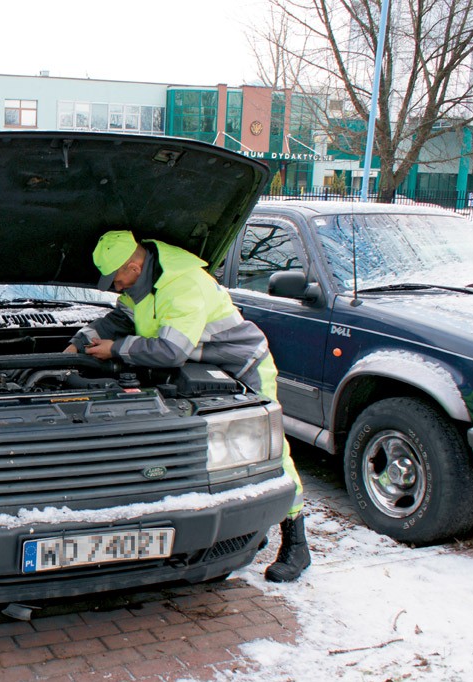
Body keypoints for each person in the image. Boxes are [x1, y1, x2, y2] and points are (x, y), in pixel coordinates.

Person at [65, 230, 310, 582]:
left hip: (240, 371)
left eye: (116, 278)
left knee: (270, 453)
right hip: (194, 372)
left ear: (134, 266)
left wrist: (115, 350)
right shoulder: (142, 284)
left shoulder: (183, 284)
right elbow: (118, 320)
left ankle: (297, 543)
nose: (114, 286)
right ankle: (247, 529)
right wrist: (78, 343)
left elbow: (170, 351)